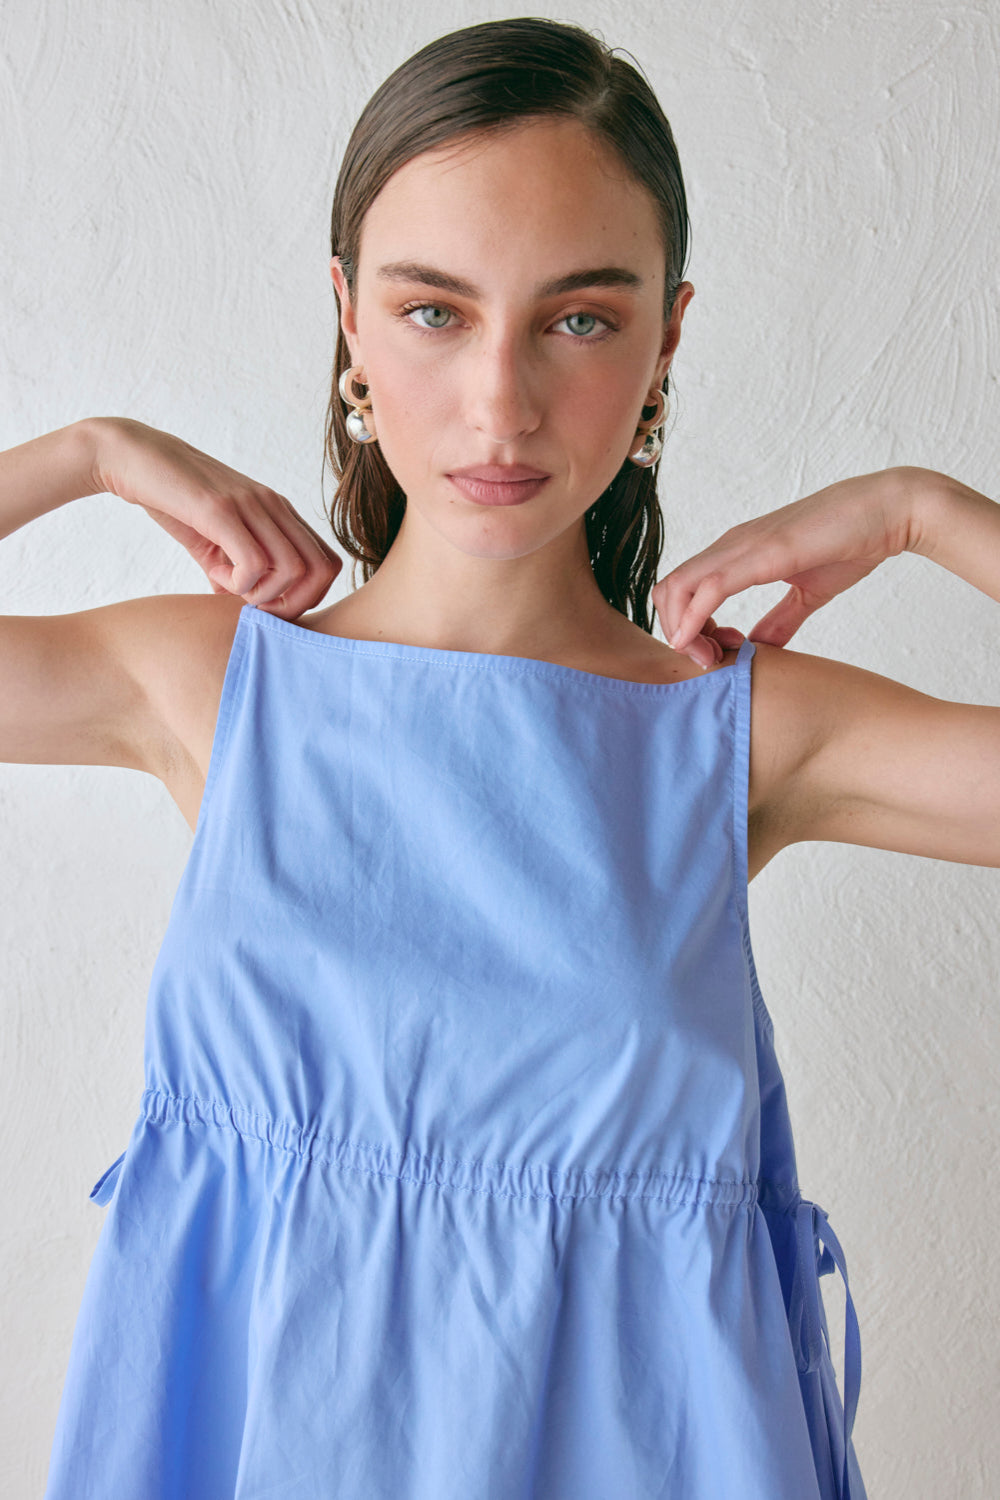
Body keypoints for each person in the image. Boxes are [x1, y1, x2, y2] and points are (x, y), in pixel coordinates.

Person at [2, 15, 997, 1500]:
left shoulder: (734, 731)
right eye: (433, 311)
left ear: (667, 337)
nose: (501, 405)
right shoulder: (215, 687)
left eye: (579, 320)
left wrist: (925, 510)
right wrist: (85, 451)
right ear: (348, 317)